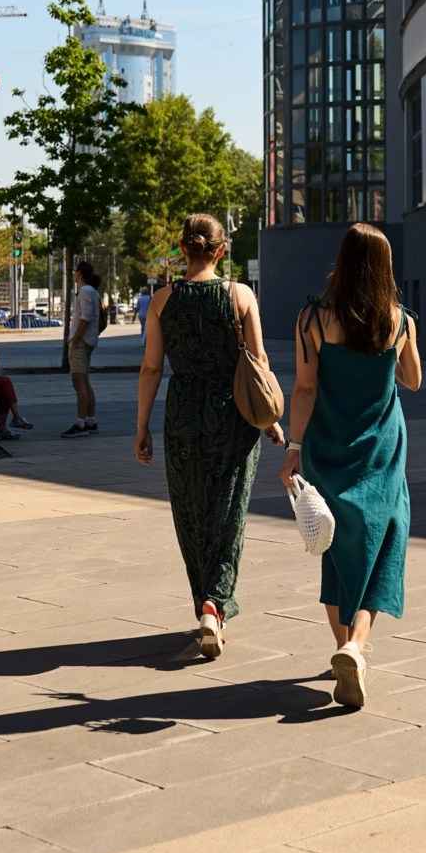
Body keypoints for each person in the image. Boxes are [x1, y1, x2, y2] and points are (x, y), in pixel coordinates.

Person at [283, 222, 419, 709]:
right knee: (386, 543)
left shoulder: (313, 319)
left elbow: (303, 388)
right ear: (385, 268)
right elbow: (414, 380)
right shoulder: (399, 320)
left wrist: (293, 449)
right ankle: (355, 646)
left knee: (336, 546)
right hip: (382, 450)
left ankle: (344, 646)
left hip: (326, 446)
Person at [134, 214, 278, 660]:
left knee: (191, 511)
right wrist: (270, 416)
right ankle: (214, 604)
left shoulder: (161, 301)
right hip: (234, 412)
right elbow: (258, 359)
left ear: (182, 250)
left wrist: (141, 425)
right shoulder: (240, 295)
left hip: (182, 414)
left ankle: (205, 605)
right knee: (229, 509)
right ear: (221, 250)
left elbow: (152, 367)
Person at [62, 260, 103, 437]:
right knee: (85, 382)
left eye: (75, 271)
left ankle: (80, 423)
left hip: (81, 342)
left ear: (80, 274)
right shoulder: (92, 292)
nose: (73, 274)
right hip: (88, 341)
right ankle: (90, 420)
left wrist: (76, 339)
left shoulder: (85, 291)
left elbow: (86, 317)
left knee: (78, 383)